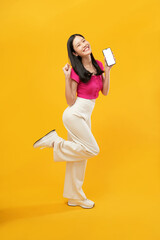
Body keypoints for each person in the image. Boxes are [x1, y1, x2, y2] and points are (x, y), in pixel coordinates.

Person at [33, 34, 115, 209]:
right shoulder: (76, 71)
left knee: (79, 159)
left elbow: (105, 92)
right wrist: (66, 77)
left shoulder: (98, 65)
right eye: (79, 45)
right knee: (92, 149)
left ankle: (74, 197)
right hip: (74, 115)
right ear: (75, 53)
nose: (84, 44)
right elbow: (70, 101)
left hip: (86, 115)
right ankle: (55, 142)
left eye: (84, 40)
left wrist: (107, 71)